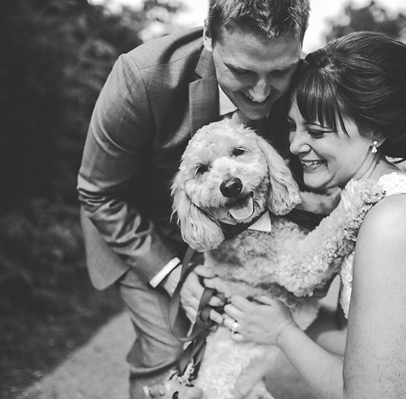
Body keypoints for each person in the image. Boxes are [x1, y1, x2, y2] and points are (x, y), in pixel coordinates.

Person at [223, 31, 406, 399]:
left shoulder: (394, 220)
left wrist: (281, 332)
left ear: (373, 131)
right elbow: (351, 333)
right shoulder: (361, 203)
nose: (295, 144)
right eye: (293, 126)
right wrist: (258, 301)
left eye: (316, 131)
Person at [77, 1, 311, 398]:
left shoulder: (306, 81)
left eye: (279, 73)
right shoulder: (142, 77)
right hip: (139, 230)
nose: (260, 92)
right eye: (241, 71)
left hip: (232, 245)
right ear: (208, 37)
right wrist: (174, 277)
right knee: (169, 354)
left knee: (232, 353)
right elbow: (99, 194)